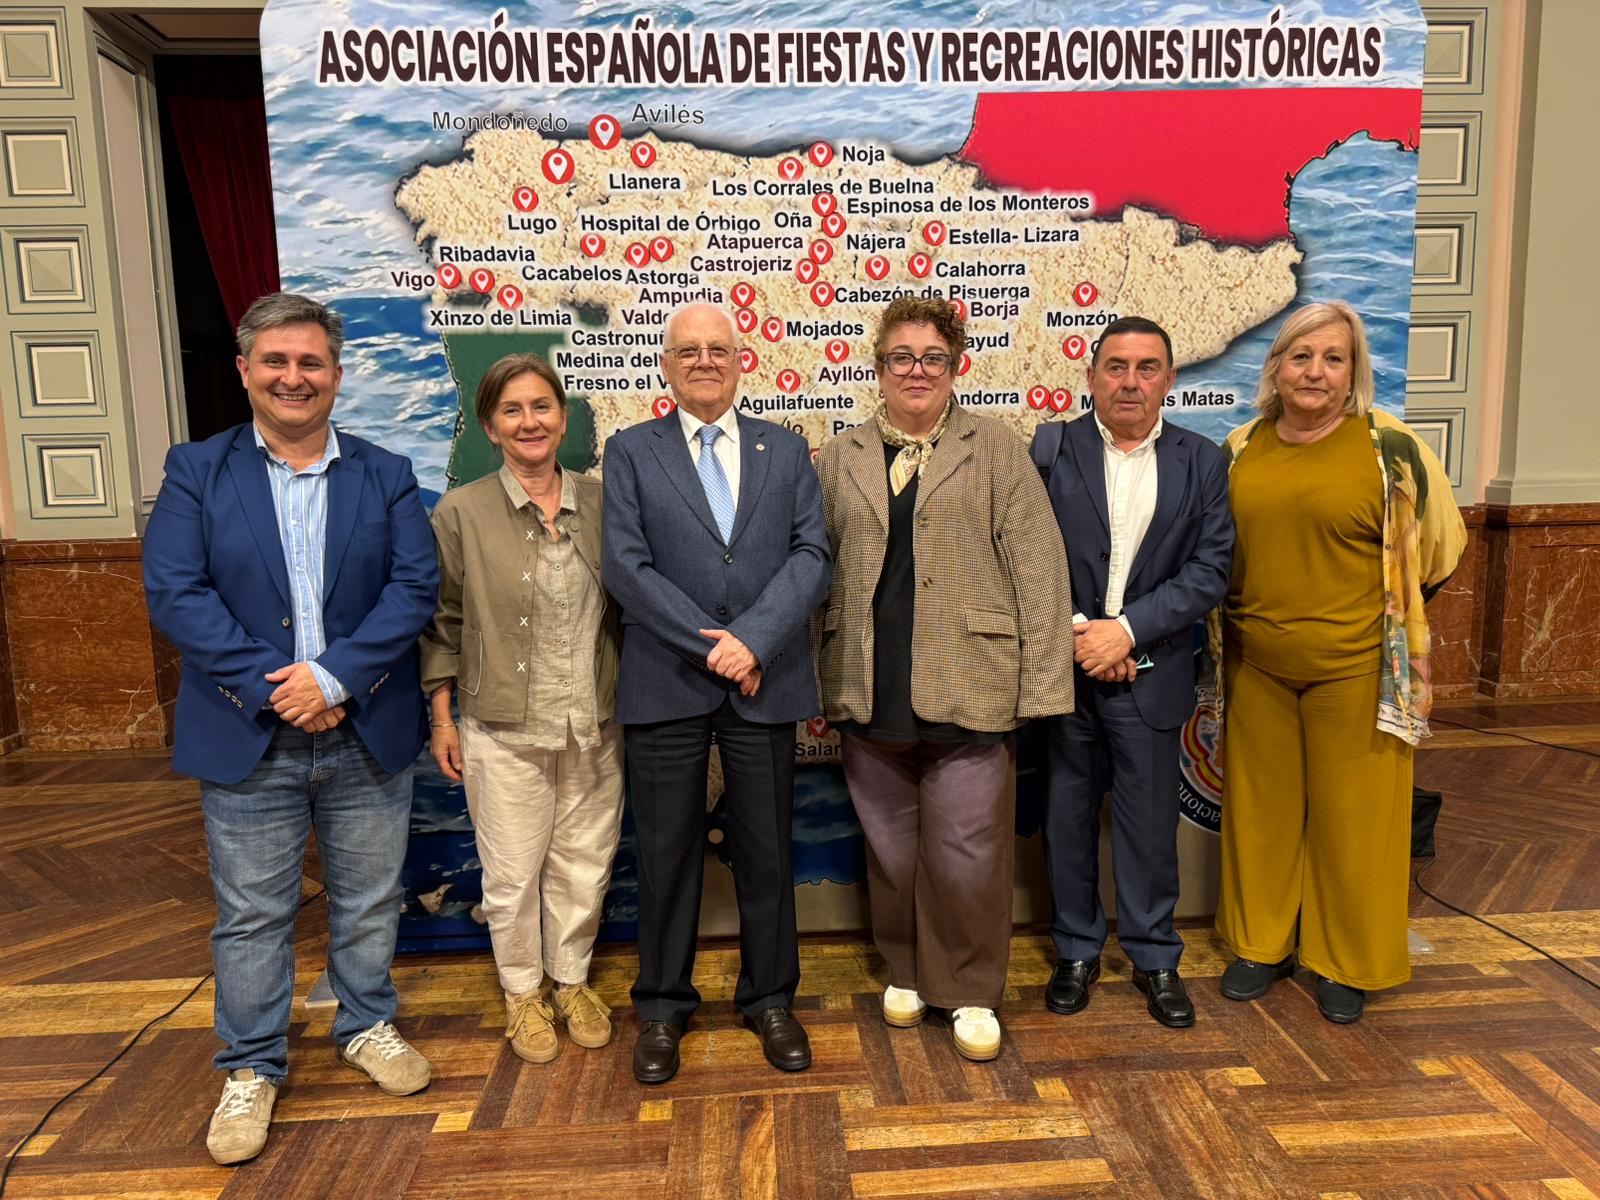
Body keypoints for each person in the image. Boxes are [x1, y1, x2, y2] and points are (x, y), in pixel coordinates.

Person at [142, 293, 439, 1165]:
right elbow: (176, 593)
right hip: (250, 732)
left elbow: (412, 589)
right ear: (245, 371)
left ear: (338, 376)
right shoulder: (197, 471)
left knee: (369, 896)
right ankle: (251, 1066)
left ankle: (366, 1025)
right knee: (251, 914)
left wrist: (334, 677)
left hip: (365, 727)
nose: (293, 377)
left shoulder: (384, 471)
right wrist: (281, 691)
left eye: (311, 362)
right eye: (276, 361)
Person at [816, 294, 1074, 1062]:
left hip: (973, 685)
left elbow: (1039, 568)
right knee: (892, 851)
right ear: (880, 367)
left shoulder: (994, 448)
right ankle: (905, 968)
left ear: (955, 364)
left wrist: (1041, 690)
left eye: (932, 357)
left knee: (968, 853)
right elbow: (813, 572)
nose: (917, 371)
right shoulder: (842, 456)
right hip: (868, 687)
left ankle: (967, 988)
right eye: (902, 358)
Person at [1214, 301, 1465, 1023]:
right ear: (1276, 367)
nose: (1315, 371)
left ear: (1354, 370)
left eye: (1333, 358)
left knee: (1357, 823)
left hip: (1359, 671)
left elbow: (1440, 551)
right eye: (1301, 356)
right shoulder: (1240, 447)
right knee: (1259, 816)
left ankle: (1343, 961)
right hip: (1256, 666)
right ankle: (1261, 945)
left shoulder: (1391, 449)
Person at [601, 301, 832, 1084]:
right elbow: (627, 569)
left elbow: (811, 556)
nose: (703, 361)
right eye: (686, 350)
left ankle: (770, 999)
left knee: (767, 850)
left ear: (742, 361)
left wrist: (754, 641)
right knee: (664, 855)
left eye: (717, 349)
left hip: (763, 680)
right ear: (664, 366)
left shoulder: (788, 451)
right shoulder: (629, 452)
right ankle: (663, 1009)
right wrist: (718, 648)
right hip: (666, 681)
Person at [1030, 316, 1234, 1029]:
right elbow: (1027, 557)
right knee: (1067, 819)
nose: (1130, 381)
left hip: (1151, 675)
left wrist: (1127, 634)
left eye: (1147, 368)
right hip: (1067, 672)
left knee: (1150, 829)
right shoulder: (1051, 450)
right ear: (1090, 377)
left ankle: (1155, 959)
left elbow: (1209, 571)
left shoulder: (1202, 462)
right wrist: (1085, 636)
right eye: (1115, 366)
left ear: (1170, 380)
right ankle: (1077, 952)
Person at [420, 353, 624, 1064]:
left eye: (542, 407)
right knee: (510, 875)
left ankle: (570, 981)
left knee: (585, 865)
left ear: (563, 418)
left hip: (594, 723)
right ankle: (522, 994)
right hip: (500, 727)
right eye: (512, 410)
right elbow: (442, 622)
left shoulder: (603, 504)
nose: (529, 421)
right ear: (489, 426)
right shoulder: (460, 512)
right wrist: (441, 718)